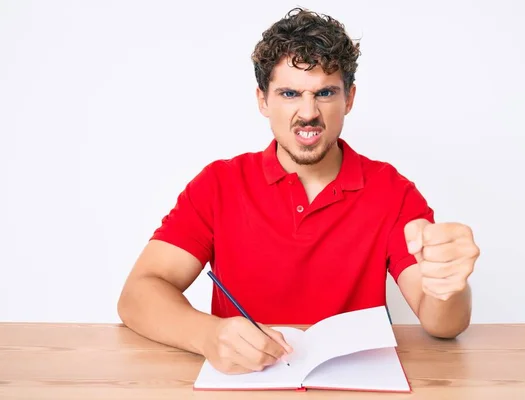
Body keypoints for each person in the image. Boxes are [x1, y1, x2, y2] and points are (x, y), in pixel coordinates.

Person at [117, 7, 480, 375]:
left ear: (349, 99)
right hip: (244, 382)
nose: (308, 112)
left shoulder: (392, 191)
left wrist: (447, 284)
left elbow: (443, 324)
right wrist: (207, 335)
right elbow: (137, 295)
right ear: (263, 100)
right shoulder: (218, 185)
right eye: (290, 93)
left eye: (325, 92)